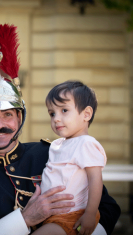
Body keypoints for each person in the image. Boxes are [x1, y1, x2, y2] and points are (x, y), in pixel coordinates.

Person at [0, 22, 121, 235]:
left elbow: (108, 207)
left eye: (8, 114)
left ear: (20, 117)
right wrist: (23, 219)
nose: (0, 124)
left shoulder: (52, 152)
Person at [33, 81, 106, 235]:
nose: (56, 118)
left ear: (86, 114)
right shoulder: (57, 144)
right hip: (50, 216)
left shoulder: (86, 143)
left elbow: (95, 180)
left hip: (71, 217)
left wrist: (90, 214)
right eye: (52, 113)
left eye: (64, 110)